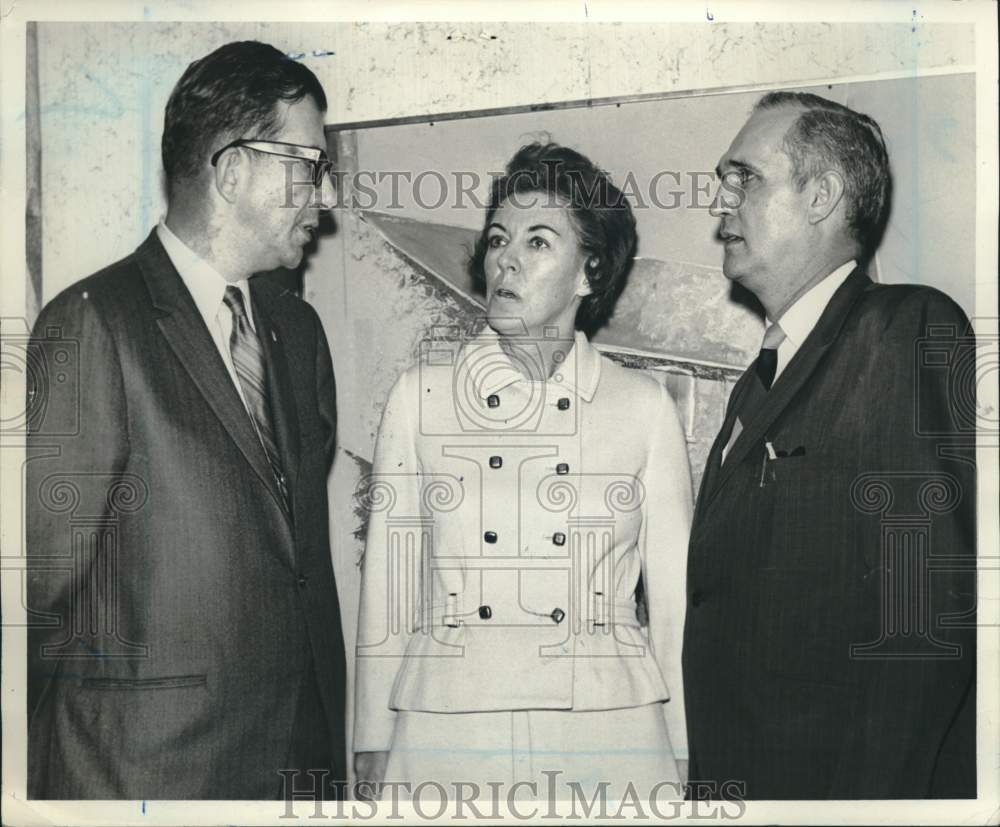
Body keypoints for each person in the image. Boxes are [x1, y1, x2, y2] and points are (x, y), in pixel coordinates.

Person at [26, 41, 347, 799]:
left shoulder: (298, 337)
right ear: (232, 170)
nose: (325, 197)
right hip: (148, 778)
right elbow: (34, 594)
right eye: (309, 164)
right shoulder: (92, 323)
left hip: (299, 773)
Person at [353, 142, 692, 802]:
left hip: (608, 730)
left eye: (539, 241)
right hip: (449, 729)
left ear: (588, 273)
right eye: (498, 239)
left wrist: (681, 752)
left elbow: (674, 610)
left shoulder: (642, 407)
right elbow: (389, 590)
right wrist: (371, 738)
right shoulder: (420, 397)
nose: (506, 258)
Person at [683, 91, 976, 799]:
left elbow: (922, 620)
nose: (722, 203)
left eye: (744, 177)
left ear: (822, 195)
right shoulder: (756, 384)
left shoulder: (905, 329)